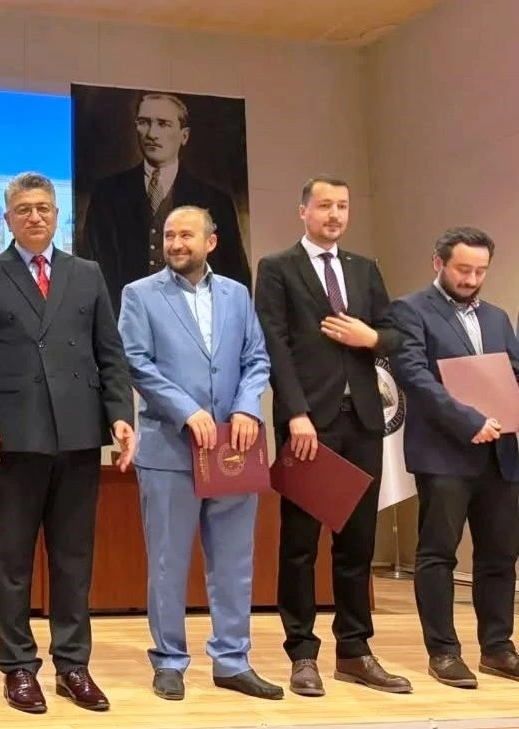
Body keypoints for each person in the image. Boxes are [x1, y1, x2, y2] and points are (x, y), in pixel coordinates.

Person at [0, 172, 136, 714]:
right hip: (13, 436)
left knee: (73, 559)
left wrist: (121, 416)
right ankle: (18, 666)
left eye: (43, 208)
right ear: (7, 218)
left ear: (58, 216)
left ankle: (73, 665)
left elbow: (110, 354)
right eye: (24, 209)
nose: (34, 216)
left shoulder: (87, 274)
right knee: (13, 560)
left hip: (78, 434)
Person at [254, 175, 411, 696]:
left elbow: (395, 334)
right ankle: (302, 652)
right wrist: (295, 413)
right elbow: (274, 345)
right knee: (300, 544)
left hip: (363, 420)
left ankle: (355, 650)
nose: (335, 215)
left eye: (342, 206)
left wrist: (371, 337)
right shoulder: (277, 268)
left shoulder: (364, 269)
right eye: (324, 205)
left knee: (357, 543)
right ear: (303, 211)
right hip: (309, 424)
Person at [118, 205, 280, 701]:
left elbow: (256, 358)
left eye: (186, 235)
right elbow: (136, 362)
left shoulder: (237, 294)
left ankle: (232, 660)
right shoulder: (139, 294)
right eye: (169, 235)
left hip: (233, 448)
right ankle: (169, 661)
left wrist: (248, 407)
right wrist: (186, 410)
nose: (176, 244)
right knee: (168, 563)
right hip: (170, 450)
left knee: (233, 562)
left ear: (211, 241)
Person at [386, 227, 519, 688]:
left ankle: (498, 648)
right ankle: (443, 652)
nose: (471, 279)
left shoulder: (498, 317)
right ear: (438, 263)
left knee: (500, 555)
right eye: (463, 269)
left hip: (500, 454)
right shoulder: (409, 310)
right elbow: (414, 377)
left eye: (480, 271)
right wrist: (469, 421)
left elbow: (513, 373)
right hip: (444, 454)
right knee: (438, 554)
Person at [78, 91, 251, 316]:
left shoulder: (216, 200)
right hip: (123, 322)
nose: (152, 134)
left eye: (163, 124)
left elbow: (235, 276)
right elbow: (90, 270)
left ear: (184, 136)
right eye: (144, 122)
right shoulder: (107, 193)